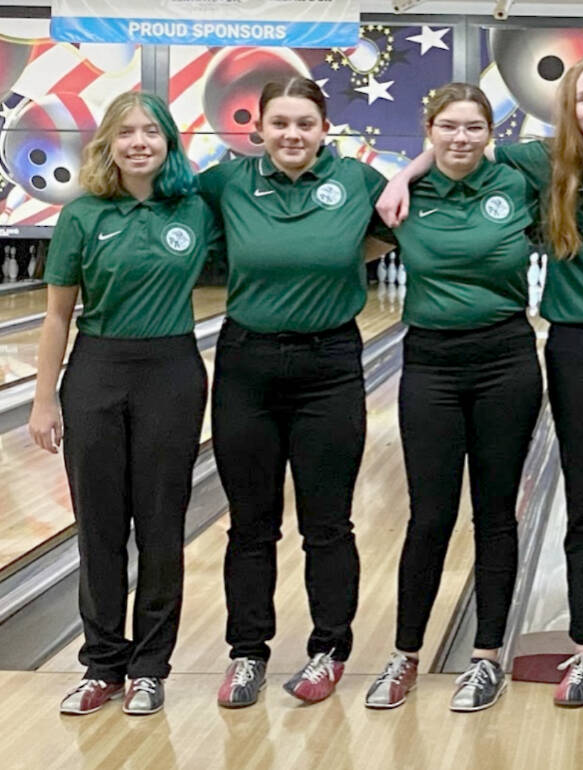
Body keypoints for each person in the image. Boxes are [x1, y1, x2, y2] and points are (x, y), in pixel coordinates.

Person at [377, 56, 583, 708]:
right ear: (568, 109)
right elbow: (460, 145)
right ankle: (582, 649)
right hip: (574, 343)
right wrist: (406, 170)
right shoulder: (537, 163)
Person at [199, 77, 387, 708]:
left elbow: (395, 221)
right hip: (246, 364)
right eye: (280, 123)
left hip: (330, 363)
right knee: (250, 526)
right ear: (260, 129)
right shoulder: (226, 182)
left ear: (323, 127)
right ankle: (247, 653)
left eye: (305, 123)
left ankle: (328, 651)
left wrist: (329, 264)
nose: (292, 135)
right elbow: (167, 200)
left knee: (327, 524)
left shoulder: (359, 182)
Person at [31, 91, 216, 716]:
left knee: (161, 527)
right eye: (126, 133)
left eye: (152, 132)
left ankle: (150, 668)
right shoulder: (82, 215)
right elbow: (58, 315)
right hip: (96, 372)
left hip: (172, 371)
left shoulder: (196, 207)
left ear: (169, 143)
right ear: (108, 144)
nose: (139, 142)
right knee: (101, 529)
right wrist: (43, 400)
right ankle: (101, 664)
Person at [362, 84, 542, 713]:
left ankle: (486, 657)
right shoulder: (403, 198)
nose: (460, 138)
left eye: (473, 128)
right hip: (431, 364)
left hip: (507, 361)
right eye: (448, 127)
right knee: (429, 514)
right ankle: (404, 655)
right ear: (428, 128)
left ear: (491, 133)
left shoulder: (519, 180)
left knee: (496, 514)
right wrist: (404, 175)